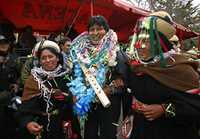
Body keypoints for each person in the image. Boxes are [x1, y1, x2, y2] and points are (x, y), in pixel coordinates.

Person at [125, 11, 200, 139]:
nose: (138, 46)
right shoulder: (137, 67)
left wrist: (164, 109)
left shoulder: (181, 69)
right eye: (138, 40)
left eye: (146, 41)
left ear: (160, 42)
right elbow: (134, 94)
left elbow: (195, 105)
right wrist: (134, 106)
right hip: (142, 131)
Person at [68, 15, 125, 139]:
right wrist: (76, 93)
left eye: (99, 29)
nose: (95, 33)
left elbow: (124, 82)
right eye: (92, 29)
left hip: (109, 103)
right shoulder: (81, 53)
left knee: (108, 134)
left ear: (106, 30)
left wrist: (110, 90)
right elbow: (75, 76)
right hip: (89, 104)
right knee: (89, 134)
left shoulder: (115, 52)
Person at [17, 40, 81, 139]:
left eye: (51, 56)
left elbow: (75, 102)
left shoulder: (67, 76)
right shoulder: (33, 80)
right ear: (39, 61)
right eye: (43, 58)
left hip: (65, 126)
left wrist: (68, 98)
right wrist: (28, 123)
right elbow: (25, 109)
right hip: (42, 127)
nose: (47, 60)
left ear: (57, 57)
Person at [0, 34, 20, 139]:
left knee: (8, 123)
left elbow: (20, 75)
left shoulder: (14, 58)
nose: (3, 45)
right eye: (1, 43)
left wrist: (17, 84)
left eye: (5, 43)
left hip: (8, 96)